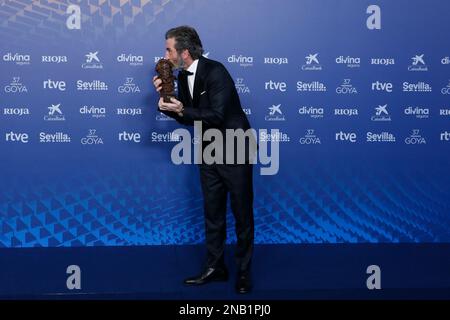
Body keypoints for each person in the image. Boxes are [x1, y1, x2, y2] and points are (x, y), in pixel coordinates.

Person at [152, 26, 254, 294]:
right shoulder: (183, 76)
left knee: (242, 213)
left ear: (184, 52)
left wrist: (183, 108)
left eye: (168, 49)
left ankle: (243, 272)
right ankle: (215, 267)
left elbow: (217, 115)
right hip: (210, 148)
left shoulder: (216, 71)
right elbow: (189, 116)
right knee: (213, 211)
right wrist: (165, 103)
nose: (164, 54)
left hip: (235, 146)